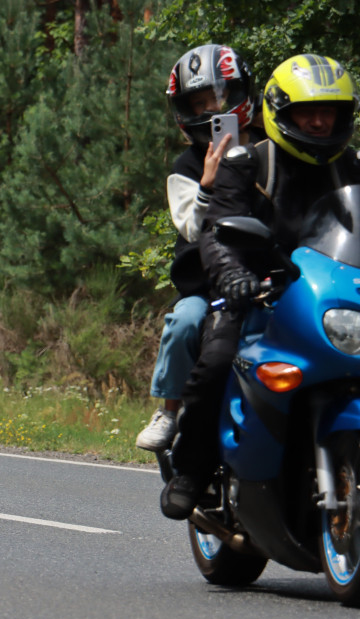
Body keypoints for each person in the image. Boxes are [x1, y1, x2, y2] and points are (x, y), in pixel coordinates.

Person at [160, 54, 360, 519]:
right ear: (280, 112)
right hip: (256, 294)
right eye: (306, 112)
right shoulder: (247, 161)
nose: (316, 121)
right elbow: (214, 228)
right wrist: (232, 273)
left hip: (328, 296)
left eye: (327, 112)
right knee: (214, 361)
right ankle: (192, 469)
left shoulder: (351, 166)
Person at [136, 44, 262, 453]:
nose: (212, 109)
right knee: (185, 322)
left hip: (269, 274)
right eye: (201, 102)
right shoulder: (186, 166)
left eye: (221, 97)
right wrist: (208, 184)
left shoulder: (271, 149)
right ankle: (170, 410)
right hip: (205, 285)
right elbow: (191, 227)